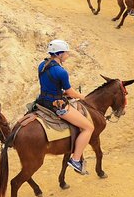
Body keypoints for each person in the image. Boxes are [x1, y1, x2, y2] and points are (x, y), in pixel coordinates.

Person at [35, 40, 94, 175]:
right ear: (59, 54)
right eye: (66, 53)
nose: (67, 55)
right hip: (56, 105)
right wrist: (83, 97)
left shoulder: (42, 65)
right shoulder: (61, 71)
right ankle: (76, 160)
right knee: (88, 127)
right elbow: (70, 93)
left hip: (42, 101)